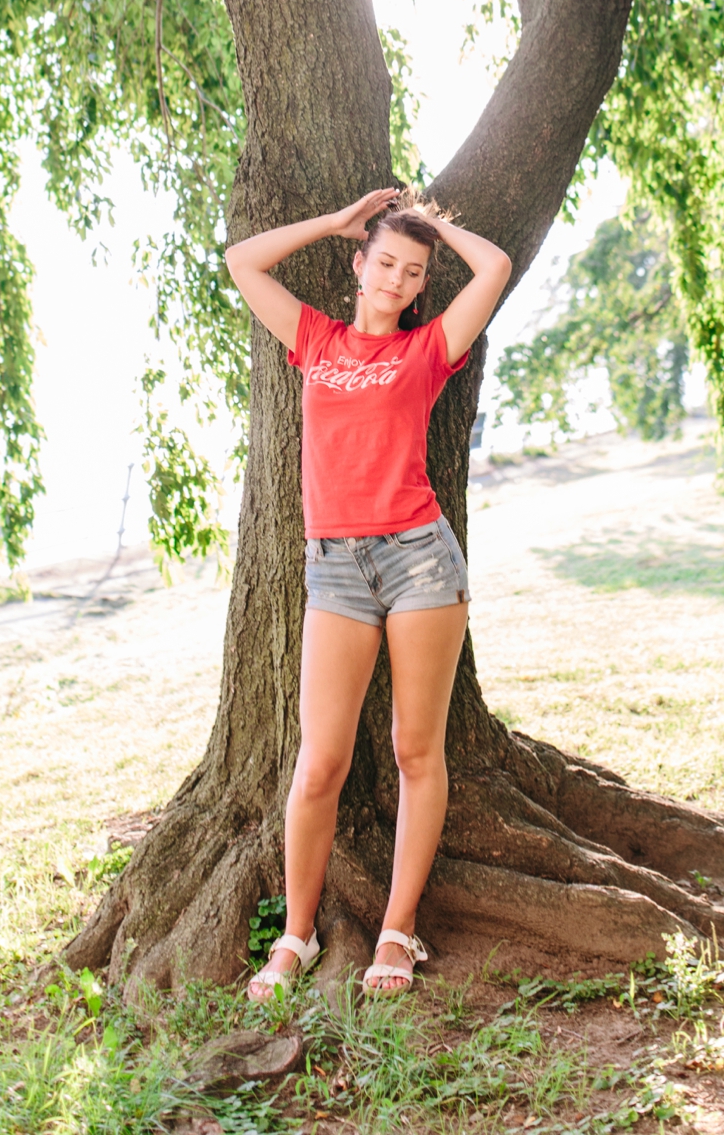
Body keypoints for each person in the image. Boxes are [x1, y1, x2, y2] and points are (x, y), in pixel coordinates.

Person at [225, 186, 511, 998]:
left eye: (411, 271)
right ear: (358, 266)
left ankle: (396, 930)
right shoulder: (314, 338)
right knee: (320, 764)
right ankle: (295, 938)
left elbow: (495, 265)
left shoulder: (428, 350)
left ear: (422, 285)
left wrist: (435, 227)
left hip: (421, 560)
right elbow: (242, 261)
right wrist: (339, 219)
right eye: (383, 262)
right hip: (337, 569)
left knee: (416, 751)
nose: (394, 279)